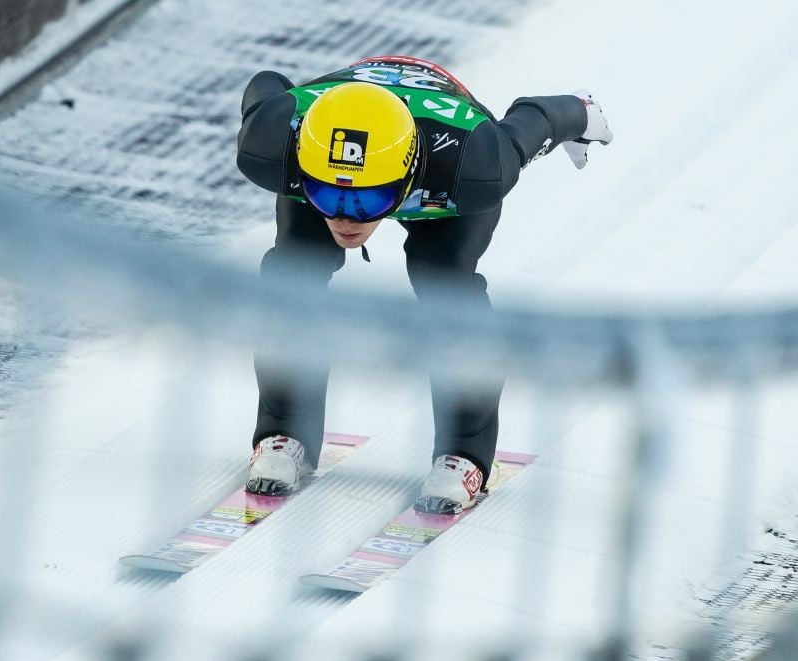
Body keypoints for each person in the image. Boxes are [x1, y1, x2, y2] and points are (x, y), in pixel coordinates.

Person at [236, 55, 612, 513]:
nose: (344, 218)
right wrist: (343, 190)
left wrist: (581, 111)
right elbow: (267, 83)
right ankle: (285, 427)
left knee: (444, 282)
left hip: (442, 155)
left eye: (369, 199)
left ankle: (465, 452)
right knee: (294, 270)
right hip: (339, 124)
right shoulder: (274, 139)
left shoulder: (473, 160)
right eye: (328, 196)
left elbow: (535, 120)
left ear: (409, 173)